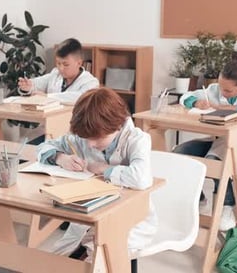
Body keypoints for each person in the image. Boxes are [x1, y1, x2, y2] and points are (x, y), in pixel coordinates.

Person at [37, 87, 157, 260]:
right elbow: (43, 147)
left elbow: (141, 178)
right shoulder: (84, 138)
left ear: (116, 125)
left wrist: (105, 170)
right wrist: (60, 157)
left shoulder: (137, 139)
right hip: (90, 213)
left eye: (96, 138)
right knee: (58, 259)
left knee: (98, 256)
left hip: (130, 218)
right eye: (87, 139)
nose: (90, 144)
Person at [173, 60, 237, 231]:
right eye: (221, 87)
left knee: (213, 160)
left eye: (228, 90)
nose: (222, 91)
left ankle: (227, 206)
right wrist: (195, 102)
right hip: (217, 139)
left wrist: (228, 108)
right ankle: (197, 198)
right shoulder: (214, 89)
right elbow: (185, 97)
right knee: (179, 152)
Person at [5, 38, 99, 143]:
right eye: (58, 63)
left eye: (65, 64)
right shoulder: (55, 74)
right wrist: (28, 86)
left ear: (79, 63)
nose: (61, 68)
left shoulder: (91, 82)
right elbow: (37, 83)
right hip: (51, 130)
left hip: (76, 136)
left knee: (35, 152)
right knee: (24, 153)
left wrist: (47, 97)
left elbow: (78, 97)